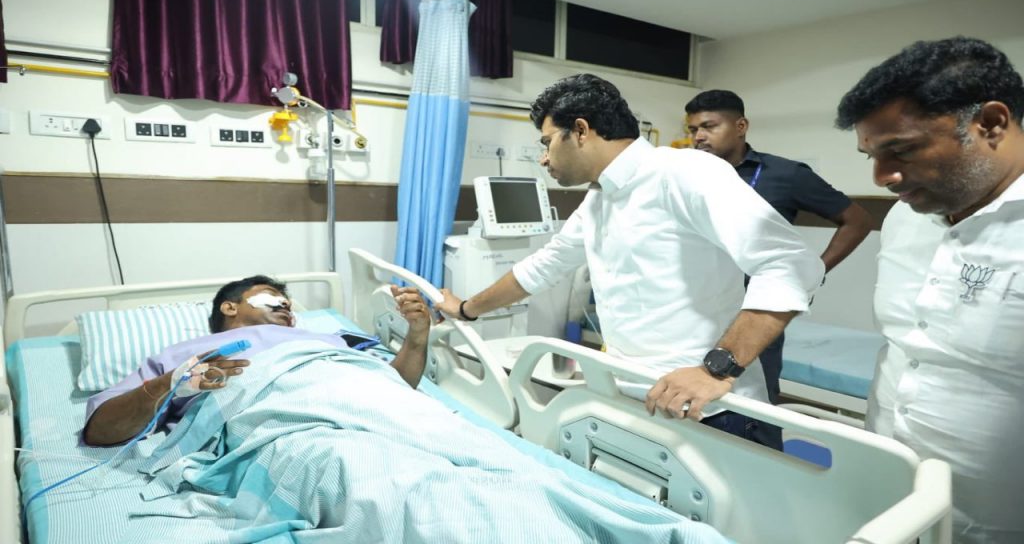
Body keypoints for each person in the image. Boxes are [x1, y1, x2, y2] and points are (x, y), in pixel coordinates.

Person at [438, 73, 824, 449]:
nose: (543, 158)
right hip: (638, 401)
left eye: (547, 142)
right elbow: (542, 267)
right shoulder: (599, 199)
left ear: (581, 130)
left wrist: (716, 370)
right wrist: (467, 309)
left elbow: (790, 264)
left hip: (712, 412)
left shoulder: (684, 173)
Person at [836, 36, 1024, 544]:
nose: (883, 177)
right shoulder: (907, 215)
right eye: (871, 155)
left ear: (991, 124)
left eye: (900, 150)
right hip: (891, 497)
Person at [82, 274, 431, 446]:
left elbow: (395, 387)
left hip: (384, 414)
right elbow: (100, 430)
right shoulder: (184, 355)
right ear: (229, 307)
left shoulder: (328, 340)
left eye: (287, 301)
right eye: (272, 295)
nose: (286, 303)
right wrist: (169, 383)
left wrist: (417, 335)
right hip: (288, 431)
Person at [684, 90, 874, 403]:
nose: (699, 137)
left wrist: (813, 272)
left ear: (741, 126)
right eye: (693, 129)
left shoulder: (785, 175)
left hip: (755, 313)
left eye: (709, 126)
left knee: (754, 404)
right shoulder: (688, 176)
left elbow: (858, 220)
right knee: (690, 400)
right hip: (696, 309)